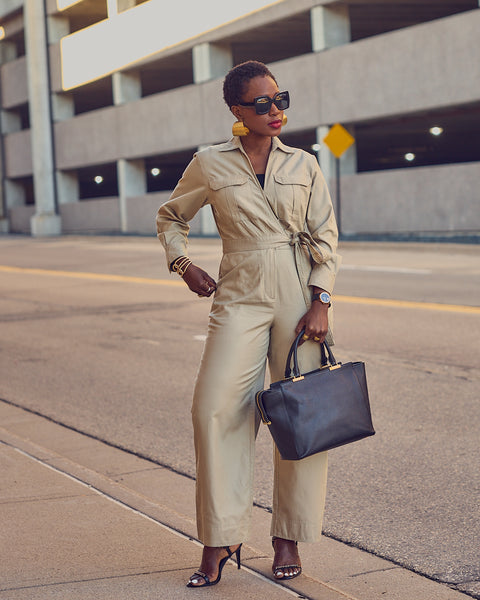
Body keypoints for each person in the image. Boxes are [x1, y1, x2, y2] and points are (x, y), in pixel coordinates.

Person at [156, 60, 340, 588]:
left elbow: (325, 236)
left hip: (299, 294)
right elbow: (171, 216)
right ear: (237, 111)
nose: (275, 110)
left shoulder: (304, 164)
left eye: (281, 99)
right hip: (237, 292)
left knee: (301, 414)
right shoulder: (210, 163)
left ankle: (289, 535)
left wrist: (322, 300)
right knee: (214, 408)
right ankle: (221, 535)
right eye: (261, 104)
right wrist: (183, 262)